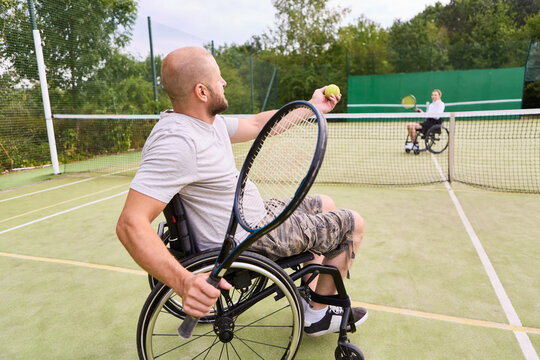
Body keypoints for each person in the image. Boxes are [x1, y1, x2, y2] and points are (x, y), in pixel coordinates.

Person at [116, 46, 367, 337]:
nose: (224, 83)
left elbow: (260, 123)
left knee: (326, 203)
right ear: (201, 91)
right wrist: (183, 282)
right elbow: (129, 223)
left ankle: (308, 296)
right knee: (353, 224)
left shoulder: (206, 123)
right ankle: (319, 314)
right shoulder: (179, 142)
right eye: (218, 78)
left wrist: (312, 105)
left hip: (248, 217)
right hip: (246, 237)